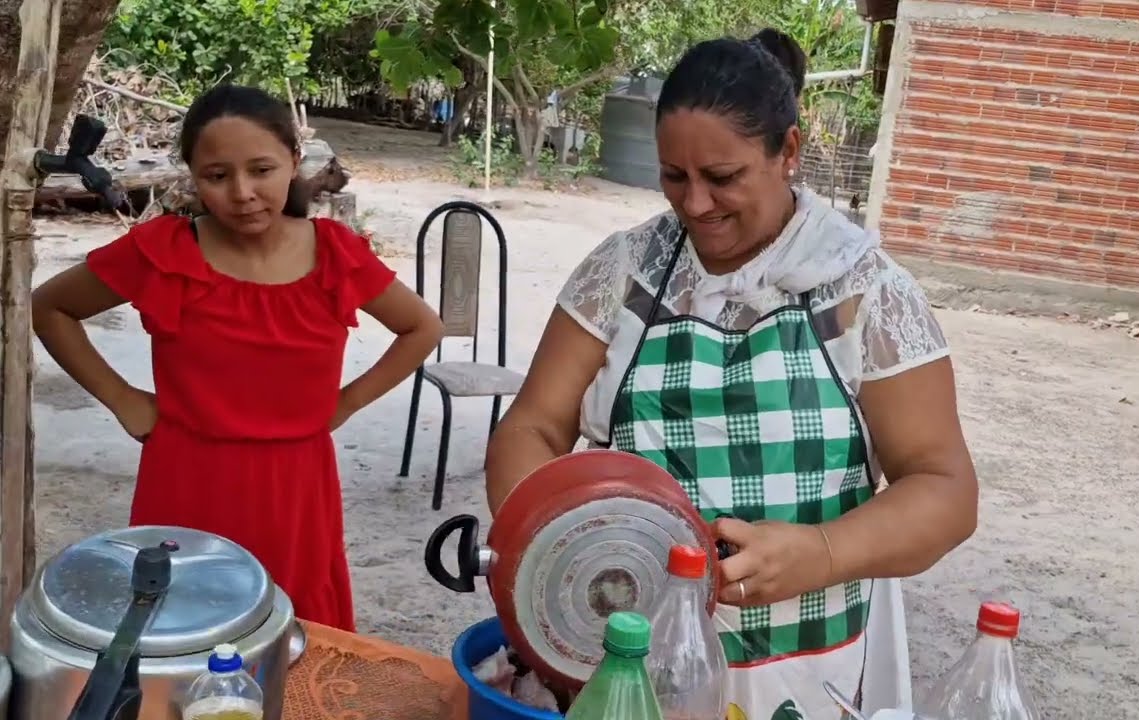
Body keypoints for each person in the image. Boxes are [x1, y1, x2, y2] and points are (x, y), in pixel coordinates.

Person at [484, 29, 978, 719]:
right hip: (631, 661)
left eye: (722, 178)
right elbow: (531, 426)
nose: (694, 205)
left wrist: (823, 551)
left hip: (807, 665)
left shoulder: (862, 290)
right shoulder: (624, 273)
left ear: (789, 153)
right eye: (673, 176)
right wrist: (556, 552)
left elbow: (946, 490)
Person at [31, 84, 443, 632]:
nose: (243, 192)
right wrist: (123, 399)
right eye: (217, 176)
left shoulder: (336, 254)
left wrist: (345, 403)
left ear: (295, 162)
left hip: (296, 488)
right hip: (184, 478)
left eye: (262, 170)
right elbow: (50, 307)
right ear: (193, 176)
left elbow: (422, 326)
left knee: (294, 640)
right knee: (180, 631)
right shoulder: (163, 252)